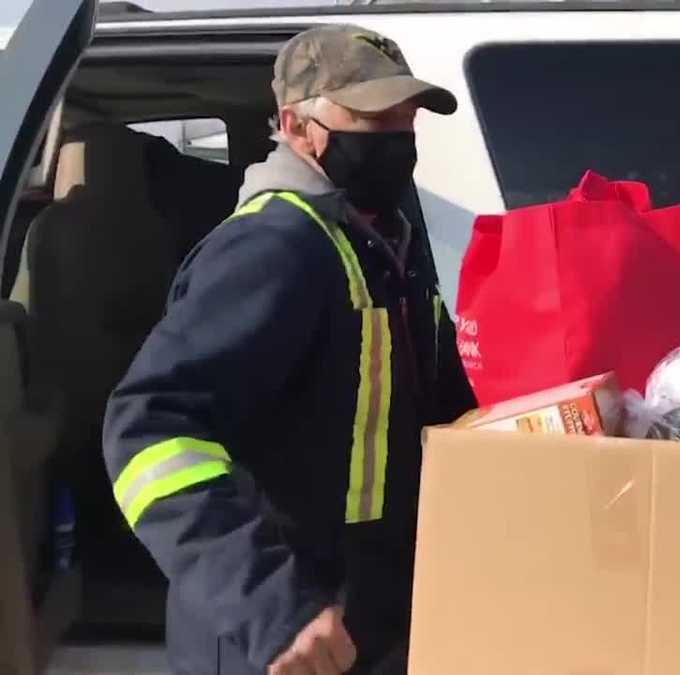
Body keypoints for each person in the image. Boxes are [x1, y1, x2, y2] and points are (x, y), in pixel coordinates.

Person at [102, 25, 476, 675]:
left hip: (365, 620)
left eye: (405, 117)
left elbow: (443, 404)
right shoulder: (275, 247)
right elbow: (148, 430)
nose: (395, 136)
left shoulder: (388, 245)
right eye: (370, 117)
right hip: (276, 639)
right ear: (295, 127)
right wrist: (269, 605)